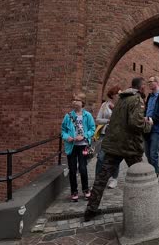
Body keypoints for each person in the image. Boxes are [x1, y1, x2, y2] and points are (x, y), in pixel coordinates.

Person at [84, 77, 152, 221]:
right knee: (140, 176)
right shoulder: (137, 100)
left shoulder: (121, 99)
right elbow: (136, 124)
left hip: (113, 145)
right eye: (145, 85)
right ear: (141, 87)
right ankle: (144, 210)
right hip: (129, 147)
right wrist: (148, 125)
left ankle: (90, 210)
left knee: (101, 179)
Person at [61, 92, 96, 202]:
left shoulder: (87, 116)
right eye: (73, 100)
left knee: (83, 168)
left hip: (83, 146)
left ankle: (86, 189)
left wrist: (84, 136)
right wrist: (68, 138)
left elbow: (92, 129)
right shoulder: (68, 116)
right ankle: (74, 191)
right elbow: (63, 131)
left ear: (82, 102)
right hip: (71, 147)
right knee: (72, 169)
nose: (74, 102)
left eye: (77, 100)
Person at [95, 86, 120, 189]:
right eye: (117, 94)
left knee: (115, 157)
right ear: (113, 95)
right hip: (105, 133)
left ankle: (114, 178)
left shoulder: (121, 105)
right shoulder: (104, 105)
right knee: (101, 157)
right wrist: (108, 121)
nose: (119, 96)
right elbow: (98, 120)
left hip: (117, 134)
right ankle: (98, 178)